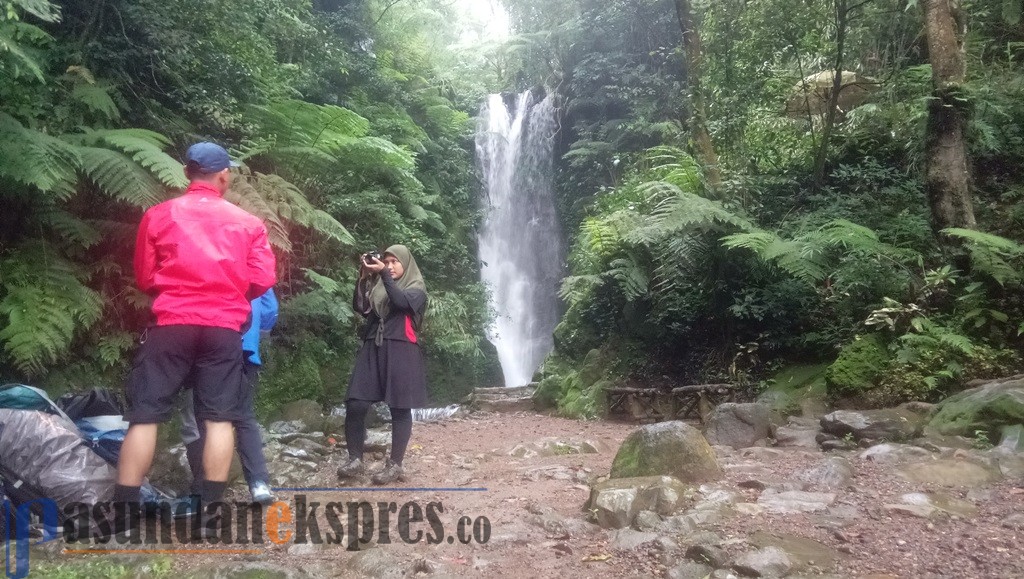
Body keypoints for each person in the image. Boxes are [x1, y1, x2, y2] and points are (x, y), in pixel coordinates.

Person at [114, 142, 276, 514]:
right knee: (218, 419)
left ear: (187, 173)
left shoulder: (158, 214)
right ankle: (210, 515)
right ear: (224, 176)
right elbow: (263, 277)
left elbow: (144, 275)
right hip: (223, 328)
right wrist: (231, 291)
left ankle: (122, 517)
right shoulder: (249, 223)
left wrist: (176, 287)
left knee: (146, 416)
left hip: (171, 323)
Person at [179, 288, 278, 507]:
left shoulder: (203, 257)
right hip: (246, 348)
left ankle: (203, 489)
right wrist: (255, 334)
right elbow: (271, 308)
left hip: (206, 343)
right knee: (244, 416)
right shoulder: (250, 256)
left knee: (203, 417)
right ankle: (259, 484)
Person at [337, 245, 428, 485]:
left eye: (394, 262)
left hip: (401, 350)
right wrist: (364, 277)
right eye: (386, 261)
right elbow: (361, 307)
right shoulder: (379, 288)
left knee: (400, 408)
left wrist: (384, 275)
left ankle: (396, 464)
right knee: (356, 403)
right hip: (372, 347)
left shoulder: (417, 290)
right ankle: (355, 459)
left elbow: (400, 301)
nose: (389, 266)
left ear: (406, 265)